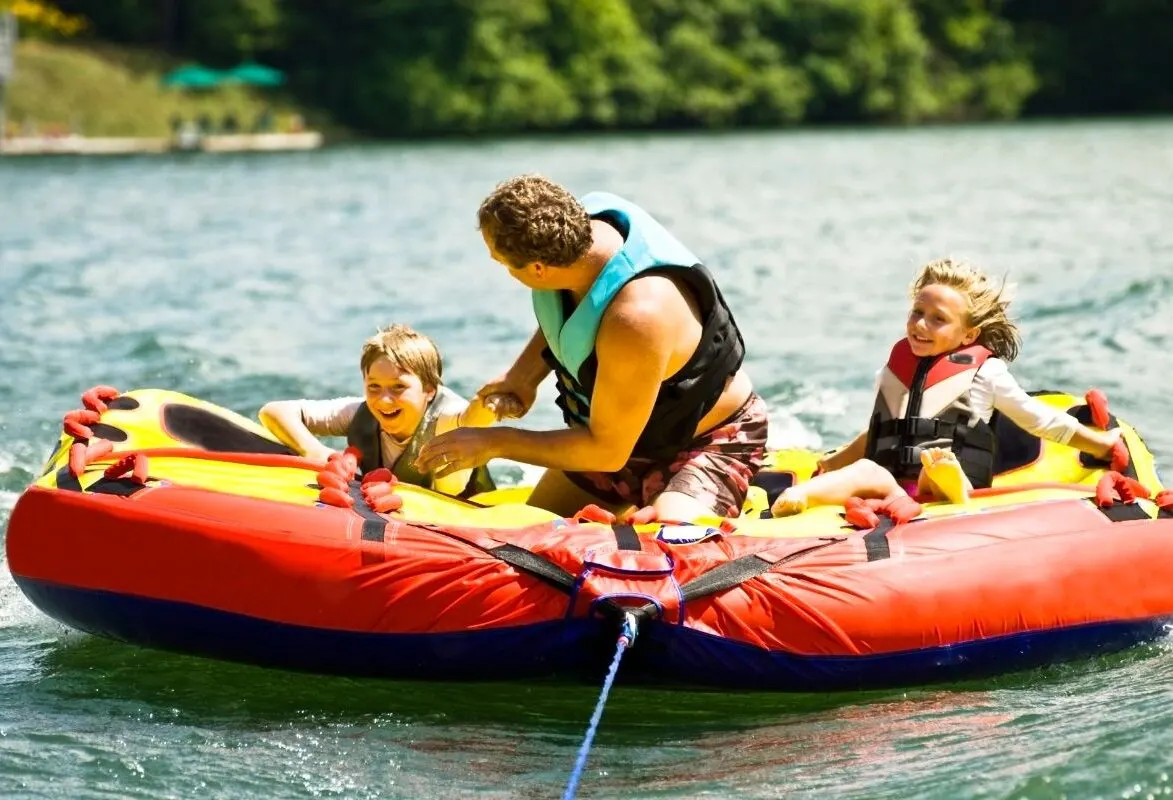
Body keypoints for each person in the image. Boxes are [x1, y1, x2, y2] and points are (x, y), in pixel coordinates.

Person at [416, 174, 767, 521]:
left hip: (706, 441)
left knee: (671, 544)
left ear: (538, 269)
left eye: (504, 264)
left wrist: (494, 442)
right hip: (623, 440)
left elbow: (607, 451)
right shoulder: (573, 242)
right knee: (521, 544)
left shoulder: (637, 317)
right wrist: (522, 377)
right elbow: (573, 314)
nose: (502, 268)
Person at [770, 258, 1125, 516]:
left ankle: (947, 480)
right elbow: (880, 431)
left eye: (938, 319)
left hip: (952, 483)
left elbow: (1037, 419)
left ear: (969, 335)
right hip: (892, 485)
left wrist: (1100, 443)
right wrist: (833, 462)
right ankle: (801, 496)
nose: (920, 325)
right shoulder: (891, 370)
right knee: (868, 471)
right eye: (916, 313)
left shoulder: (987, 374)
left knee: (936, 467)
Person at [259, 324, 498, 498]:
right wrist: (314, 450)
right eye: (374, 386)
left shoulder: (447, 416)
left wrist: (490, 403)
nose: (384, 400)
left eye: (399, 387)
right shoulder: (360, 413)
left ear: (429, 390)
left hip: (466, 526)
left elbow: (472, 419)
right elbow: (274, 411)